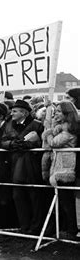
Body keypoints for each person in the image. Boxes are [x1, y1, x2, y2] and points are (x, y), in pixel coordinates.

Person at [1, 99, 44, 234]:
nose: (12, 113)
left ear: (24, 113)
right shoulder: (9, 125)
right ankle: (24, 225)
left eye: (14, 111)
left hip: (32, 166)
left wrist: (30, 145)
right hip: (15, 164)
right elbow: (3, 141)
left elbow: (43, 142)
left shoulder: (37, 125)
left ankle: (36, 227)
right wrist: (12, 144)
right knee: (18, 196)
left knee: (34, 197)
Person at [42, 101, 79, 239]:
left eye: (58, 111)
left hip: (66, 167)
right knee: (63, 199)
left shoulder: (70, 129)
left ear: (66, 113)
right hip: (59, 164)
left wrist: (48, 132)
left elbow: (54, 143)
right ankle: (66, 228)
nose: (56, 114)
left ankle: (71, 230)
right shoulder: (61, 128)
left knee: (66, 201)